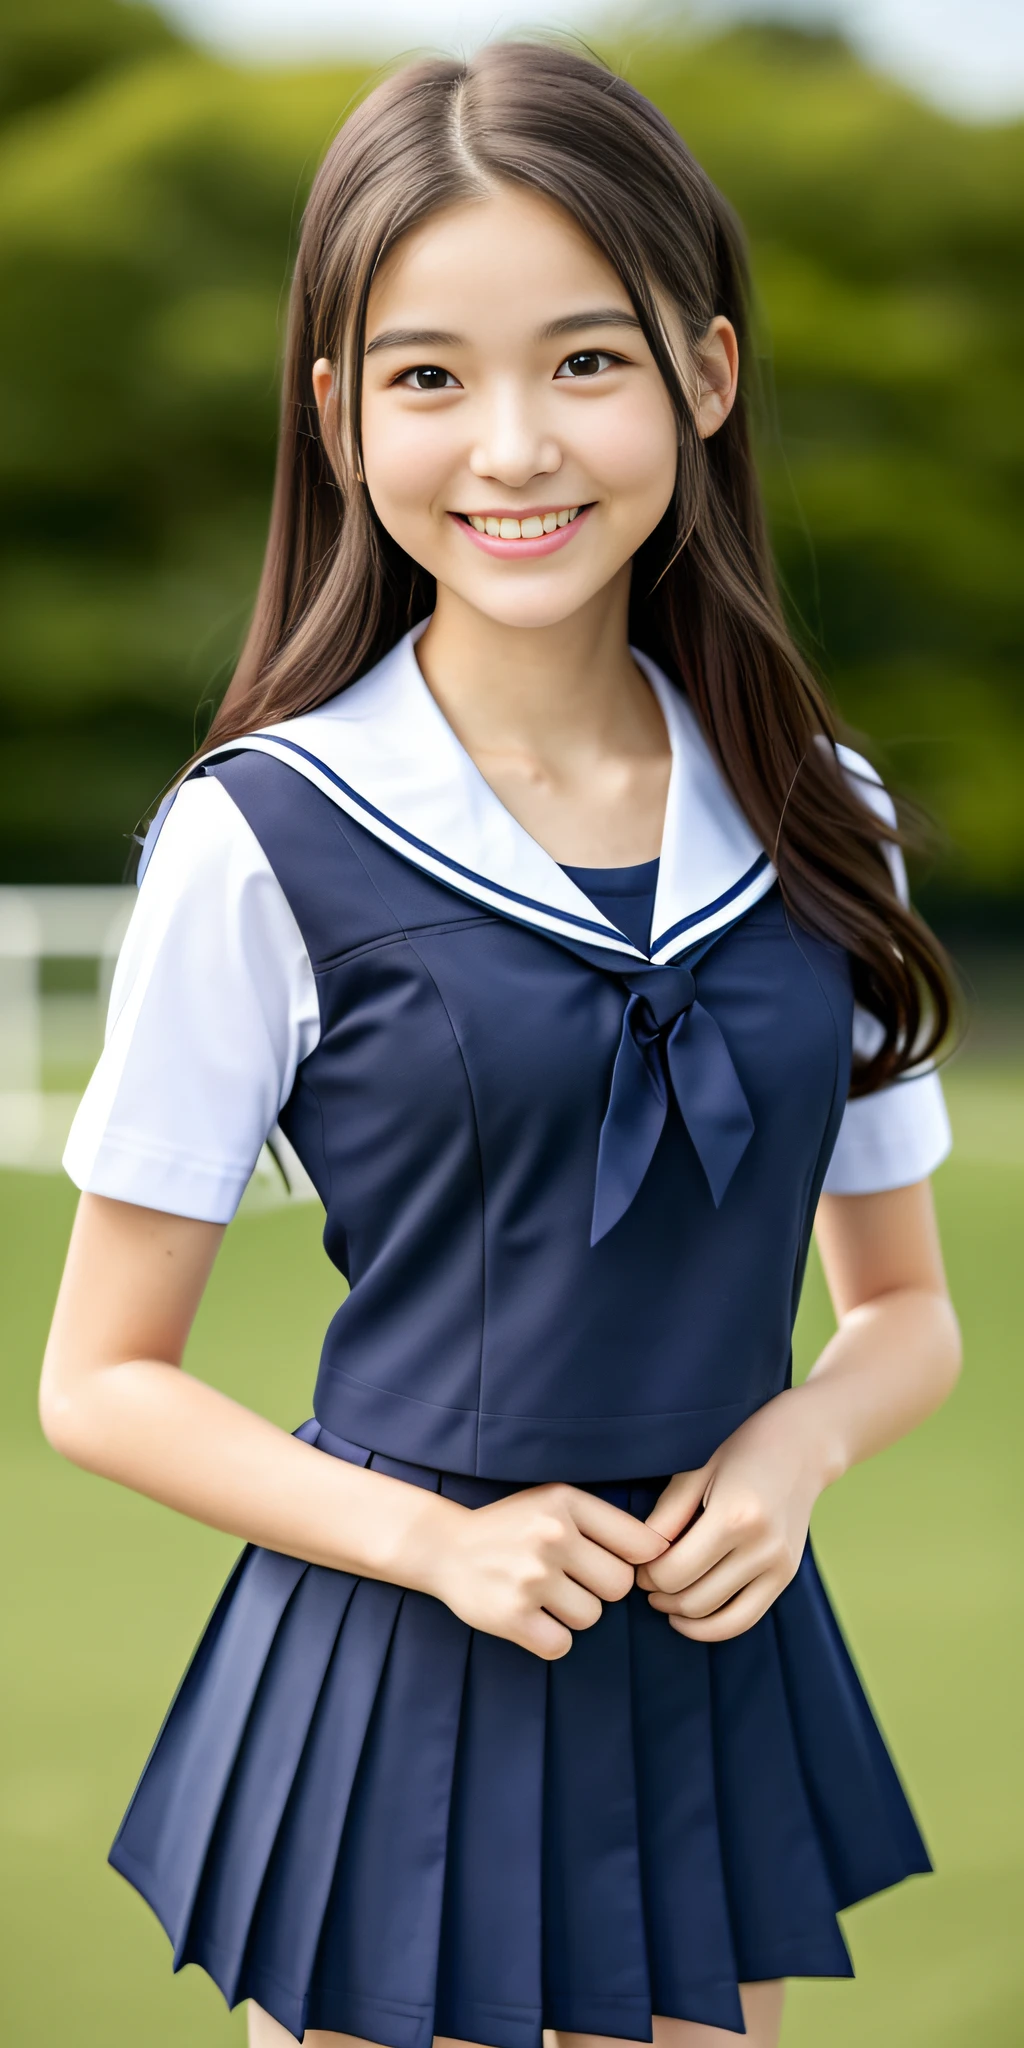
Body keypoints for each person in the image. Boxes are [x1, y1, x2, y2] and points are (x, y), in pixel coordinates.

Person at [40, 42, 962, 2048]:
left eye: (585, 361)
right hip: (401, 1680)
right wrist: (434, 1541)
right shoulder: (260, 836)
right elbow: (98, 1378)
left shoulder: (817, 806)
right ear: (340, 417)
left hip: (710, 1669)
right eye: (427, 375)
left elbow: (902, 1313)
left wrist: (792, 1452)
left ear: (703, 378)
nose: (511, 445)